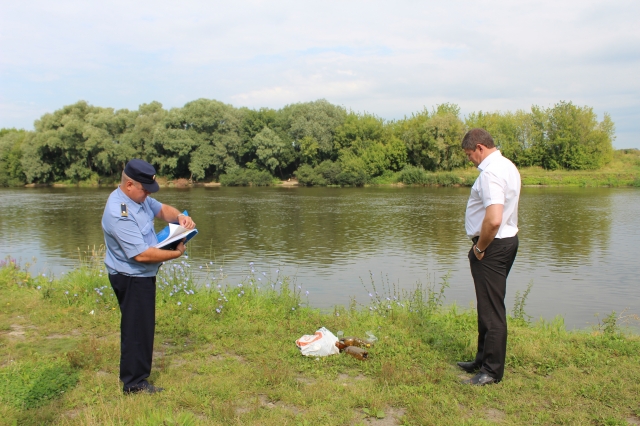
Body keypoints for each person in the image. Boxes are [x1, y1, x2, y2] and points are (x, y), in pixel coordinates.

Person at [102, 159, 196, 394]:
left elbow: (161, 209)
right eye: (145, 189)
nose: (147, 194)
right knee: (136, 330)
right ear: (129, 184)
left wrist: (179, 219)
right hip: (131, 276)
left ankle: (137, 378)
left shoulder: (139, 197)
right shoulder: (119, 213)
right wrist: (175, 253)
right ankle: (134, 384)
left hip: (141, 274)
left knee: (142, 326)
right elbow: (141, 255)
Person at [457, 128, 521, 386]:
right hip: (506, 242)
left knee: (492, 311)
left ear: (480, 148)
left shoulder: (491, 173)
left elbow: (493, 219)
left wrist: (480, 248)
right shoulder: (507, 166)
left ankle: (491, 372)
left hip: (492, 246)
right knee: (487, 306)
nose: (469, 159)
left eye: (469, 154)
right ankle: (482, 359)